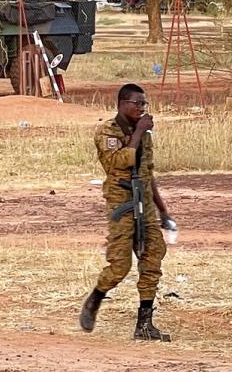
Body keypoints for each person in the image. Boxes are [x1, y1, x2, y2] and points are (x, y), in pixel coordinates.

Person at [80, 83, 175, 341]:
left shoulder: (143, 134)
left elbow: (147, 171)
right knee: (120, 264)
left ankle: (144, 323)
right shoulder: (107, 131)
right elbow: (117, 162)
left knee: (153, 255)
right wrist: (138, 133)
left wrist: (163, 210)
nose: (141, 108)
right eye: (137, 103)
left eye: (144, 104)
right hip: (121, 201)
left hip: (144, 202)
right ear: (122, 104)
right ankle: (95, 299)